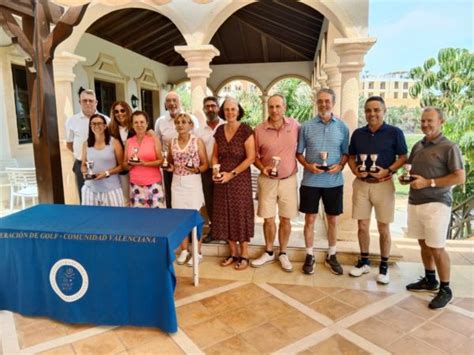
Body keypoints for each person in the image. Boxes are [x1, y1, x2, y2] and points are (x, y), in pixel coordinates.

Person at [401, 107, 465, 309]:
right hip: (416, 201)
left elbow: (459, 177)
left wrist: (429, 183)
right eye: (423, 121)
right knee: (423, 243)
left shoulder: (449, 147)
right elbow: (413, 170)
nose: (425, 124)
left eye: (430, 121)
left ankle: (445, 288)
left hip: (437, 203)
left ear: (441, 122)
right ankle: (430, 279)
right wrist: (407, 179)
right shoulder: (418, 145)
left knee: (437, 247)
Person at [348, 96, 407, 284]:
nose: (372, 114)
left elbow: (403, 156)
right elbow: (350, 156)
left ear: (384, 111)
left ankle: (383, 265)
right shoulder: (358, 133)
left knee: (383, 227)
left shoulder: (395, 132)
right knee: (362, 226)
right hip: (362, 184)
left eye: (376, 110)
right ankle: (364, 262)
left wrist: (388, 170)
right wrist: (354, 169)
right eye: (368, 110)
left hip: (384, 185)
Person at [296, 88, 350, 275]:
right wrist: (308, 166)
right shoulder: (306, 126)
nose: (323, 104)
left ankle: (332, 254)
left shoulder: (342, 127)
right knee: (309, 219)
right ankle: (309, 255)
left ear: (333, 103)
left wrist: (341, 166)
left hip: (334, 182)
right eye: (320, 101)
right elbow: (298, 153)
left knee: (332, 220)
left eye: (327, 101)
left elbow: (345, 153)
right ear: (316, 103)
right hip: (310, 181)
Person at [251, 94, 300, 272]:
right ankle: (269, 251)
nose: (274, 110)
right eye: (271, 107)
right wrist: (261, 167)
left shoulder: (295, 126)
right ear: (267, 108)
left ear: (284, 107)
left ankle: (283, 253)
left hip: (288, 180)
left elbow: (303, 147)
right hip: (267, 180)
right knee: (268, 219)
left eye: (278, 106)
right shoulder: (259, 129)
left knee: (286, 219)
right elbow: (254, 156)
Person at [212, 97, 255, 270]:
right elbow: (215, 154)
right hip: (221, 179)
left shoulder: (245, 130)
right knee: (224, 214)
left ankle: (244, 254)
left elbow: (251, 157)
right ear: (222, 111)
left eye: (233, 109)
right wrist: (216, 170)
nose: (230, 112)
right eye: (227, 109)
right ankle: (233, 252)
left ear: (238, 111)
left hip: (240, 179)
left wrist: (232, 174)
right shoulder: (219, 130)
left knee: (240, 214)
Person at [167, 113, 208, 266]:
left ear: (191, 125)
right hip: (177, 183)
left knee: (194, 218)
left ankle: (197, 252)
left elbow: (205, 165)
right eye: (178, 122)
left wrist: (195, 169)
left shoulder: (197, 141)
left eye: (184, 122)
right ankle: (184, 250)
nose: (181, 125)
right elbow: (170, 163)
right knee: (180, 218)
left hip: (193, 183)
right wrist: (169, 167)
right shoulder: (172, 142)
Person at [154, 92, 199, 208]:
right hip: (170, 165)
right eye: (168, 101)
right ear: (165, 104)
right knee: (171, 197)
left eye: (174, 100)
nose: (172, 103)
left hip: (190, 169)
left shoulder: (191, 119)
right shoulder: (160, 121)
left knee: (191, 201)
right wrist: (163, 162)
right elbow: (157, 143)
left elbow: (197, 141)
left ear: (180, 102)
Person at [66, 89, 109, 202]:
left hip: (103, 166)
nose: (88, 103)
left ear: (96, 102)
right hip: (81, 166)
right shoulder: (72, 120)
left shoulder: (107, 121)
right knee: (84, 199)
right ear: (80, 102)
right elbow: (69, 144)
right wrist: (83, 156)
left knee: (105, 198)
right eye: (84, 100)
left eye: (91, 100)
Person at [195, 96, 225, 243]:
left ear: (218, 108)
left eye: (213, 106)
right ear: (203, 109)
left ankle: (226, 232)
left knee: (225, 201)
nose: (210, 109)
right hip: (207, 171)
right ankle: (214, 230)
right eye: (207, 106)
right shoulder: (199, 131)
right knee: (210, 201)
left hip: (225, 170)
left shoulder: (226, 126)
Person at [80, 114, 124, 206]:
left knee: (114, 218)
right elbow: (84, 164)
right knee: (90, 219)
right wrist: (85, 173)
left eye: (99, 123)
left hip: (111, 188)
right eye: (93, 124)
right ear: (90, 126)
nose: (96, 126)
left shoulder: (114, 142)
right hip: (90, 189)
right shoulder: (86, 144)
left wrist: (107, 173)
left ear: (105, 126)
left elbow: (122, 166)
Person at [124, 111, 165, 208]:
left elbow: (161, 161)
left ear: (147, 123)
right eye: (136, 122)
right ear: (132, 125)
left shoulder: (154, 139)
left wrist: (144, 163)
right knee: (139, 218)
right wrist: (131, 163)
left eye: (142, 122)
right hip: (135, 185)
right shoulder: (129, 142)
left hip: (154, 184)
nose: (139, 125)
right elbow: (124, 165)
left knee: (157, 216)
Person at [108, 101, 133, 205]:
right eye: (116, 111)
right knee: (124, 199)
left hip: (136, 168)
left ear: (127, 111)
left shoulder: (135, 126)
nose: (120, 113)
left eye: (122, 110)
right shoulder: (110, 129)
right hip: (120, 170)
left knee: (135, 197)